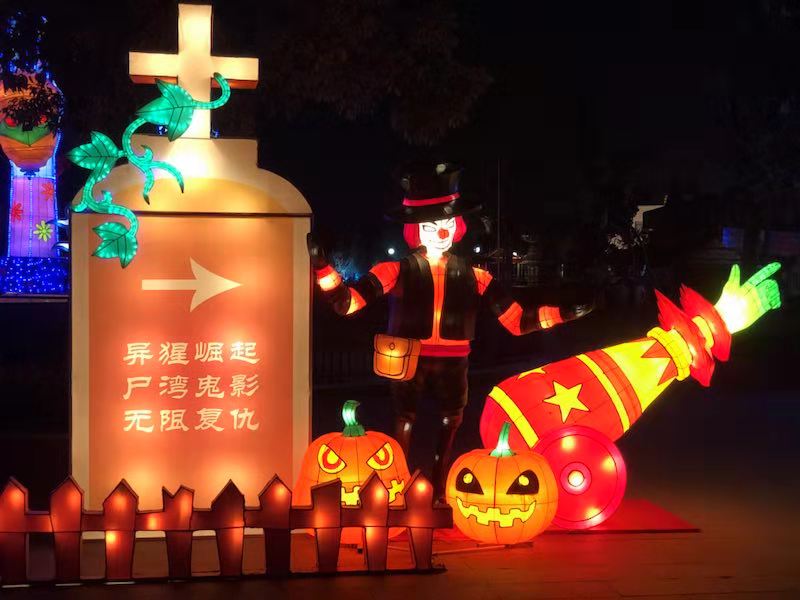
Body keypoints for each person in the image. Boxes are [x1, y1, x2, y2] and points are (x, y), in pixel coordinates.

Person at [308, 162, 593, 499]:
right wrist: (323, 268)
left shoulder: (476, 276)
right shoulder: (394, 270)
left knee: (450, 421)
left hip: (454, 361)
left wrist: (562, 314)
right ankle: (397, 485)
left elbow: (516, 320)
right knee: (405, 420)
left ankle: (440, 487)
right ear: (415, 230)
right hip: (408, 359)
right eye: (431, 226)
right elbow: (349, 303)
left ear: (457, 227)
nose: (440, 232)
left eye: (446, 224)